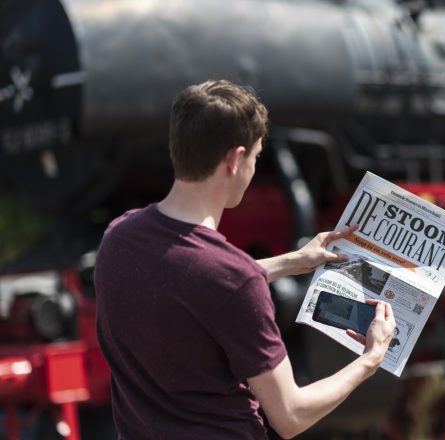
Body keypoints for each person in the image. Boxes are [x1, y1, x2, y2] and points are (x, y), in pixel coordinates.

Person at [94, 79, 396, 440]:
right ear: (235, 160)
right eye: (255, 157)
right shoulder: (234, 280)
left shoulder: (118, 238)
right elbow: (290, 415)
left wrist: (292, 261)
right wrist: (370, 358)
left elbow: (190, 281)